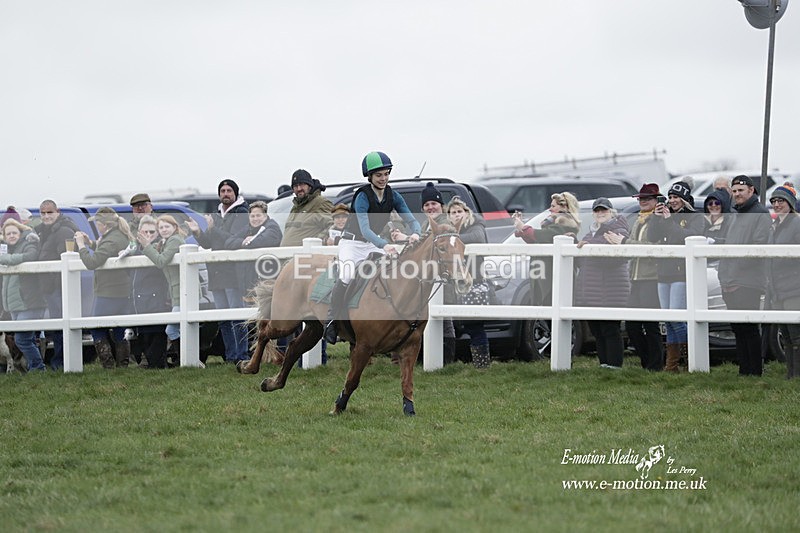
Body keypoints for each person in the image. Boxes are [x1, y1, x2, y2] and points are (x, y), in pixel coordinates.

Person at [323, 151, 422, 344]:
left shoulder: (393, 196)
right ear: (370, 177)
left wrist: (416, 233)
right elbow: (365, 229)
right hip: (351, 244)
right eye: (379, 175)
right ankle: (332, 321)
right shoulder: (362, 196)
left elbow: (411, 220)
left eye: (386, 174)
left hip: (370, 244)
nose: (383, 178)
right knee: (347, 275)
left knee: (390, 271)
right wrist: (385, 245)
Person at [391, 182, 458, 363]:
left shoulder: (445, 223)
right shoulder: (426, 224)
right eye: (426, 205)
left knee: (444, 320)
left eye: (434, 203)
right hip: (428, 278)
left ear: (441, 206)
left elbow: (430, 241)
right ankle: (425, 358)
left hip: (443, 274)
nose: (430, 207)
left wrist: (407, 238)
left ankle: (447, 359)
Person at [186, 178, 250, 363]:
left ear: (235, 193)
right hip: (216, 272)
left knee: (237, 316)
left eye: (229, 190)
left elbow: (232, 241)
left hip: (233, 273)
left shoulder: (242, 212)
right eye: (222, 191)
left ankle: (242, 355)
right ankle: (231, 356)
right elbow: (208, 243)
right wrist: (197, 232)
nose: (225, 194)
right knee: (223, 318)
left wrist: (213, 229)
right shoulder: (216, 215)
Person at [605, 183, 663, 371]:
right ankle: (648, 361)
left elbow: (650, 245)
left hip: (651, 277)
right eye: (641, 199)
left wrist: (623, 241)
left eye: (647, 199)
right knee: (632, 325)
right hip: (636, 277)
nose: (643, 202)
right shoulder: (639, 219)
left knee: (650, 325)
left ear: (656, 200)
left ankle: (655, 365)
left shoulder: (658, 219)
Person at [717, 175, 771, 376]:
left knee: (748, 327)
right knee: (738, 328)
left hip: (748, 281)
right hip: (729, 280)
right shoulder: (733, 214)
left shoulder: (760, 213)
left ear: (751, 190)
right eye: (735, 191)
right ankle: (744, 369)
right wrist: (724, 273)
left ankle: (755, 370)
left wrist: (734, 265)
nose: (737, 194)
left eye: (741, 190)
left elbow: (759, 248)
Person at [648, 181, 704, 372]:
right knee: (668, 319)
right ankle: (671, 365)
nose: (672, 201)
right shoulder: (665, 216)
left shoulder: (695, 217)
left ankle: (690, 361)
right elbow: (651, 237)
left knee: (677, 318)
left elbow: (685, 237)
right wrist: (656, 218)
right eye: (670, 197)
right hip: (663, 272)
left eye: (676, 197)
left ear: (685, 199)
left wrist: (668, 220)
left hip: (682, 273)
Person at [75, 207, 133, 369]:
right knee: (119, 328)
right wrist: (91, 243)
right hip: (122, 290)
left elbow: (92, 262)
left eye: (98, 223)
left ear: (104, 225)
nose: (97, 227)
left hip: (108, 291)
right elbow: (104, 253)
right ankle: (123, 364)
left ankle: (108, 364)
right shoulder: (118, 236)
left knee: (97, 326)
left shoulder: (111, 239)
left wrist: (81, 246)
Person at [575, 198, 631, 368]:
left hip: (611, 287)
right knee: (597, 330)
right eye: (597, 211)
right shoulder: (591, 232)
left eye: (603, 210)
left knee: (610, 329)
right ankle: (604, 364)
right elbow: (581, 251)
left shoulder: (618, 228)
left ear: (611, 212)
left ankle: (614, 365)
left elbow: (607, 243)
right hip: (593, 289)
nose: (600, 213)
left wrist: (587, 245)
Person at [512, 192, 580, 306]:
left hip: (553, 278)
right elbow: (538, 241)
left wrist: (523, 228)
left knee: (550, 309)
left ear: (564, 207)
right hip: (544, 275)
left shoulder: (565, 225)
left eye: (553, 206)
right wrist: (523, 230)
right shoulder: (555, 225)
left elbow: (545, 235)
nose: (550, 209)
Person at [34, 199, 79, 370]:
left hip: (59, 288)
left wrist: (55, 284)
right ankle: (59, 362)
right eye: (43, 213)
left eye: (50, 212)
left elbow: (66, 258)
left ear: (57, 211)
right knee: (57, 327)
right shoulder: (43, 231)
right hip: (50, 288)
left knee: (63, 327)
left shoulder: (63, 231)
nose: (46, 216)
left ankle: (60, 362)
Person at [447, 197, 491, 368]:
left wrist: (453, 238)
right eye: (453, 212)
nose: (457, 215)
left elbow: (477, 237)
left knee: (475, 325)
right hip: (455, 284)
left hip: (475, 282)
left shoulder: (476, 225)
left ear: (466, 213)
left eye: (460, 211)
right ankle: (452, 363)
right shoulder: (448, 230)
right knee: (457, 325)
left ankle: (482, 365)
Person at [0, 219, 47, 371]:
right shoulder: (8, 248)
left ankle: (39, 368)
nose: (12, 236)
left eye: (15, 232)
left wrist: (3, 259)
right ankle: (31, 370)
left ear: (20, 233)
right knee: (28, 339)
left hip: (29, 301)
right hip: (14, 304)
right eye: (8, 234)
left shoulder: (29, 243)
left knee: (22, 340)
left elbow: (29, 257)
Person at [141, 214, 186, 364]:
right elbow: (151, 251)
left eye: (167, 226)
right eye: (161, 227)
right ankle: (186, 361)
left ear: (174, 227)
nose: (164, 230)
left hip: (182, 290)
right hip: (176, 291)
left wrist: (147, 246)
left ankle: (187, 360)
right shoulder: (165, 241)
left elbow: (161, 261)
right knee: (178, 328)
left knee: (171, 330)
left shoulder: (175, 240)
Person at [767, 183, 800, 378]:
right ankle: (791, 373)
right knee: (786, 335)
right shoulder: (775, 226)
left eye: (780, 201)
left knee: (796, 335)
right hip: (778, 288)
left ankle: (797, 375)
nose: (777, 204)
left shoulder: (796, 223)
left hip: (794, 287)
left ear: (790, 203)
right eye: (774, 201)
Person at [130, 215, 171, 369]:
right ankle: (150, 363)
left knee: (157, 332)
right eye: (145, 232)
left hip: (156, 294)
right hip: (138, 296)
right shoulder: (134, 246)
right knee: (144, 334)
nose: (148, 235)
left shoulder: (160, 245)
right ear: (139, 232)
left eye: (152, 232)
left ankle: (158, 365)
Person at [223, 200, 283, 299]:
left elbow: (259, 242)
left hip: (266, 285)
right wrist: (242, 242)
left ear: (265, 215)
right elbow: (228, 242)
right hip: (248, 287)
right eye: (252, 216)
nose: (255, 219)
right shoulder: (248, 228)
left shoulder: (272, 228)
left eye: (258, 215)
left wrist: (250, 241)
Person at [280, 169, 333, 247]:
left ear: (309, 186)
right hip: (286, 255)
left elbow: (334, 225)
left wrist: (315, 242)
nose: (299, 189)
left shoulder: (319, 203)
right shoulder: (296, 206)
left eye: (302, 184)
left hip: (306, 256)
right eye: (295, 186)